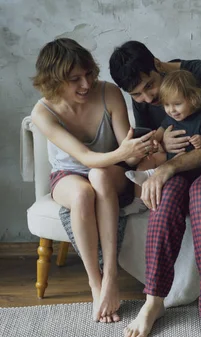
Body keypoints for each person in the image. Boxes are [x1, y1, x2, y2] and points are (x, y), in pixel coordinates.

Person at [109, 41, 201, 337]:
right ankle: (153, 301)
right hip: (182, 168)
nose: (147, 97)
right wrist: (160, 148)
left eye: (150, 85)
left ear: (158, 64)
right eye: (136, 94)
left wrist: (169, 167)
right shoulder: (143, 99)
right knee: (168, 195)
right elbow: (154, 144)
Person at [30, 38, 156, 323]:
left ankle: (111, 275)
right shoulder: (42, 112)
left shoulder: (109, 93)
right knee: (82, 195)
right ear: (53, 80)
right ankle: (96, 284)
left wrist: (144, 149)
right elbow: (85, 158)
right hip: (68, 176)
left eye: (89, 74)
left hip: (111, 173)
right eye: (75, 79)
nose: (86, 84)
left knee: (99, 175)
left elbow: (128, 155)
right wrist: (124, 151)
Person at [124, 69, 201, 195]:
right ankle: (139, 200)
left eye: (177, 104)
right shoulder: (170, 118)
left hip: (188, 161)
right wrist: (154, 140)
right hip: (168, 157)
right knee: (149, 159)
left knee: (178, 158)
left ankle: (150, 174)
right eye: (166, 105)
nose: (172, 110)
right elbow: (160, 131)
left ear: (193, 99)